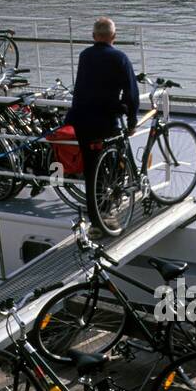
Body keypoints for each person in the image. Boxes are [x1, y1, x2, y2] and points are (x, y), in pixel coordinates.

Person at [66, 16, 140, 231]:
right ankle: (106, 211)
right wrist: (132, 119)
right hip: (106, 120)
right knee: (110, 166)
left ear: (93, 36)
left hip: (81, 119)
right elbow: (131, 93)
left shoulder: (84, 55)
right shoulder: (119, 58)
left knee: (91, 169)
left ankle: (96, 217)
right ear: (114, 37)